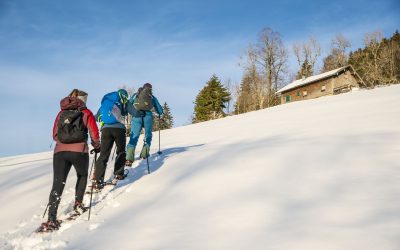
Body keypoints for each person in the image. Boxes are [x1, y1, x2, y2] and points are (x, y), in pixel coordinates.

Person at [40, 89, 100, 231]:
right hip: (79, 152)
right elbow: (94, 132)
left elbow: (55, 134)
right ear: (82, 99)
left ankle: (51, 219)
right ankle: (78, 205)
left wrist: (64, 141)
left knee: (58, 183)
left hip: (60, 152)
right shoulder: (86, 112)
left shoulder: (61, 113)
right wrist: (96, 145)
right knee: (82, 175)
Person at [92, 89, 129, 189]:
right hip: (119, 129)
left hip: (106, 130)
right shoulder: (121, 102)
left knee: (104, 154)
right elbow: (125, 113)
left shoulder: (106, 103)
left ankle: (98, 180)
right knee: (120, 151)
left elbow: (96, 118)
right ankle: (119, 174)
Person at [125, 83, 163, 166]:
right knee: (148, 135)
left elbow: (128, 104)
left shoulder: (136, 95)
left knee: (134, 136)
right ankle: (144, 154)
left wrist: (133, 112)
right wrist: (159, 113)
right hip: (148, 117)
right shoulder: (152, 97)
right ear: (150, 89)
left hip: (137, 116)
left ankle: (129, 158)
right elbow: (160, 110)